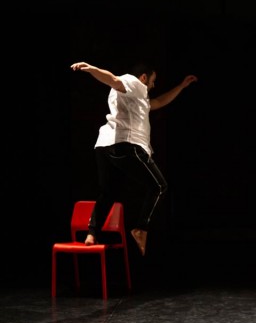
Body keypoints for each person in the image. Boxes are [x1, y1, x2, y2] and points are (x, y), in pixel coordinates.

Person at [70, 61, 198, 256]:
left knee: (108, 192)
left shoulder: (137, 98)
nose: (153, 86)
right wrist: (92, 69)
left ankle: (91, 233)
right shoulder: (134, 83)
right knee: (159, 186)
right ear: (144, 78)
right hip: (126, 145)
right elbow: (113, 79)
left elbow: (159, 102)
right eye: (152, 81)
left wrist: (181, 86)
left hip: (104, 146)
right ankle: (141, 229)